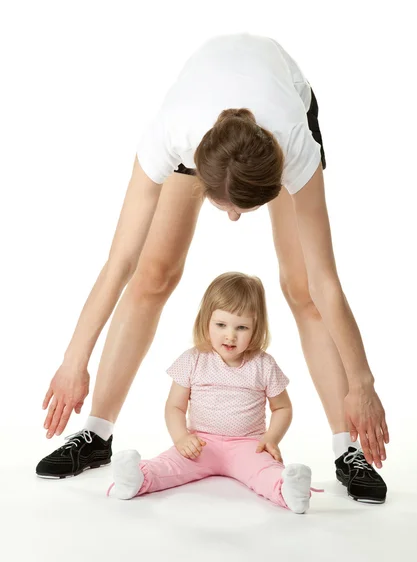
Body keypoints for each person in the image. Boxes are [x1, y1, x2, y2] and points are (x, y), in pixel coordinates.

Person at [36, 33, 388, 504]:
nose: (234, 219)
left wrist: (362, 384)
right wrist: (73, 360)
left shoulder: (293, 146)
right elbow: (119, 261)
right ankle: (96, 435)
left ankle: (348, 449)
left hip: (277, 116)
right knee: (153, 274)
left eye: (246, 208)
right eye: (225, 206)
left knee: (301, 287)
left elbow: (326, 282)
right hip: (205, 126)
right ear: (196, 171)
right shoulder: (171, 136)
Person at [107, 272, 319, 514]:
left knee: (264, 472)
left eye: (242, 327)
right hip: (200, 443)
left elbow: (282, 407)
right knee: (168, 465)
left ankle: (288, 490)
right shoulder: (193, 359)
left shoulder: (263, 364)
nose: (230, 335)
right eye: (221, 325)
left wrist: (271, 439)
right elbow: (175, 406)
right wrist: (181, 438)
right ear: (206, 321)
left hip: (248, 445)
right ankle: (136, 479)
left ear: (256, 327)